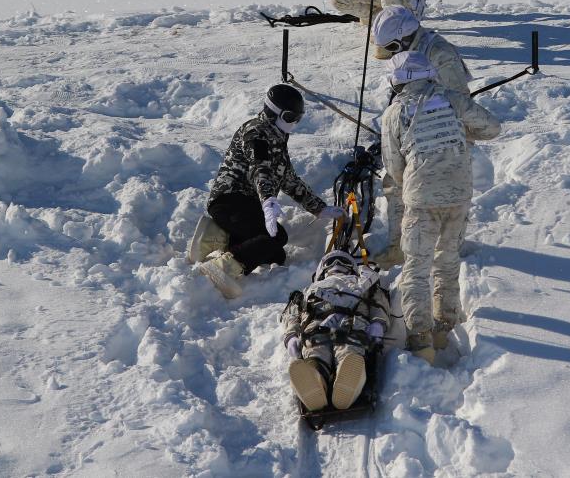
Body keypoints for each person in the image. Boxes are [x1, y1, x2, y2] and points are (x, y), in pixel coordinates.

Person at [380, 52, 501, 363]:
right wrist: (460, 133)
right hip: (459, 195)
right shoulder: (452, 99)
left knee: (416, 268)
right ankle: (445, 326)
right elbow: (492, 128)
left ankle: (420, 339)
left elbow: (393, 165)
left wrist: (410, 183)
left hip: (421, 198)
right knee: (447, 261)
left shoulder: (395, 113)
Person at [192, 84, 346, 298]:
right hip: (230, 200)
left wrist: (320, 209)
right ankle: (224, 267)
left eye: (298, 119)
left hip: (246, 206)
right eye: (291, 117)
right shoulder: (256, 133)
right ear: (275, 113)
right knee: (276, 236)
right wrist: (268, 201)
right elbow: (260, 169)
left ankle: (215, 236)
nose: (295, 124)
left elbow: (290, 180)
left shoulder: (277, 139)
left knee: (275, 255)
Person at [370, 5, 473, 266]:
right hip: (414, 134)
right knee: (394, 184)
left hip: (443, 141)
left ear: (404, 36)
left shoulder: (441, 56)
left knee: (417, 190)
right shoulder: (411, 50)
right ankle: (402, 247)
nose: (391, 54)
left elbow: (460, 103)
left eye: (392, 47)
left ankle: (439, 251)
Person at [282, 250, 390, 411]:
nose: (336, 265)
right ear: (321, 271)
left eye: (343, 262)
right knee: (315, 350)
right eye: (330, 263)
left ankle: (347, 379)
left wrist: (378, 324)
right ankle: (315, 377)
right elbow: (292, 315)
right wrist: (291, 336)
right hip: (316, 324)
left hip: (351, 320)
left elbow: (380, 304)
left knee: (348, 346)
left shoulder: (365, 283)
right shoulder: (308, 290)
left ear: (352, 268)